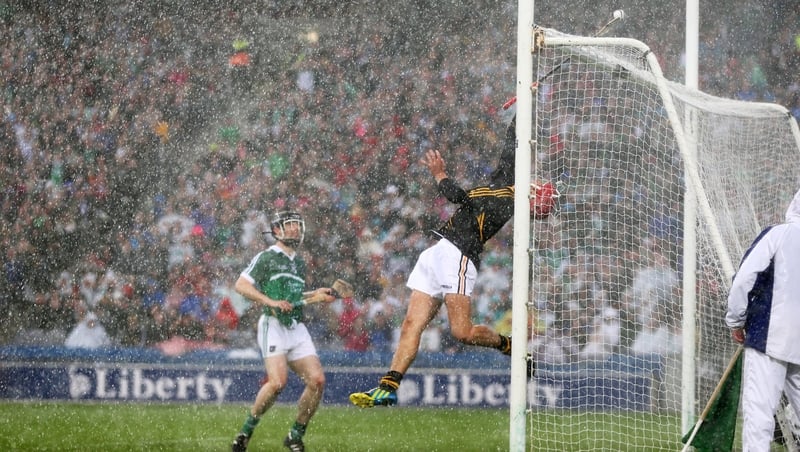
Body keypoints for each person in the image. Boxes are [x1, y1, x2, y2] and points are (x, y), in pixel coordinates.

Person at [349, 116, 554, 408]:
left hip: (459, 255)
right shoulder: (507, 180)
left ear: (534, 200)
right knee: (410, 324)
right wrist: (523, 107)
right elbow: (513, 144)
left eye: (538, 188)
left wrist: (440, 175)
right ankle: (388, 386)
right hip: (436, 252)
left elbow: (460, 197)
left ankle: (511, 346)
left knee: (462, 332)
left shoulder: (508, 204)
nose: (535, 182)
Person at [231, 210, 336, 452]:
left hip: (296, 327)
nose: (295, 229)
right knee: (278, 383)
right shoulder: (267, 257)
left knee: (317, 380)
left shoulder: (298, 261)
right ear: (277, 230)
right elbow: (241, 285)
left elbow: (293, 298)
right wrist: (269, 301)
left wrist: (316, 295)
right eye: (290, 225)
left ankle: (295, 435)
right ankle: (245, 431)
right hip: (273, 324)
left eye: (298, 225)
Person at [725, 188, 800, 452]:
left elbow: (744, 279)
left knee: (759, 415)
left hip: (768, 336)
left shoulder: (778, 235)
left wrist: (735, 320)